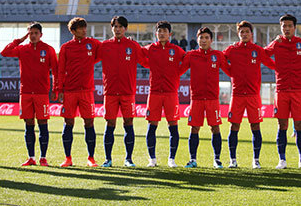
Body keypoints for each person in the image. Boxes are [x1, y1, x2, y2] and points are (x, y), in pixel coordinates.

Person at [1, 22, 59, 167]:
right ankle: (31, 157)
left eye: (35, 33)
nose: (33, 36)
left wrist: (56, 89)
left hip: (42, 93)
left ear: (41, 34)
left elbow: (56, 71)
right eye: (30, 33)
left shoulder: (48, 49)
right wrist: (19, 40)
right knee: (28, 124)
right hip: (25, 93)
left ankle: (43, 157)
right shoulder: (22, 49)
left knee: (43, 123)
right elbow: (4, 52)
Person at [223, 20, 275, 169]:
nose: (244, 34)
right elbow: (221, 60)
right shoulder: (232, 49)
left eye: (247, 32)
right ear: (238, 34)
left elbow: (271, 63)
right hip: (237, 95)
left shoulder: (257, 50)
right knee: (234, 127)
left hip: (253, 95)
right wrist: (230, 72)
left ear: (251, 34)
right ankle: (233, 160)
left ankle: (256, 160)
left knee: (255, 126)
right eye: (241, 32)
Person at [97, 16, 148, 168]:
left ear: (125, 29)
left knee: (128, 123)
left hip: (127, 93)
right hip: (110, 92)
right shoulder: (104, 46)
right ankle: (108, 159)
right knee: (110, 123)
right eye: (115, 26)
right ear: (111, 28)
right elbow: (89, 59)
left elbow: (146, 62)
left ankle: (129, 159)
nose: (117, 29)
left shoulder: (132, 45)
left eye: (120, 26)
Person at [264, 14, 301, 169]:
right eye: (284, 26)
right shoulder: (277, 44)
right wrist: (273, 43)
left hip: (298, 91)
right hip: (281, 90)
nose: (286, 28)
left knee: (300, 125)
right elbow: (263, 55)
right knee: (282, 124)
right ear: (281, 28)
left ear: (295, 28)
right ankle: (282, 160)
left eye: (289, 26)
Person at [179, 27, 231, 169]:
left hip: (212, 99)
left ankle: (217, 159)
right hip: (196, 99)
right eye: (201, 38)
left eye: (206, 38)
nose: (203, 40)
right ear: (197, 40)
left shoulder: (218, 55)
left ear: (211, 40)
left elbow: (230, 71)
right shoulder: (191, 55)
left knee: (215, 128)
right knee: (194, 128)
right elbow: (178, 71)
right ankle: (193, 159)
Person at [58, 17, 101, 167]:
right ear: (73, 31)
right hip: (69, 91)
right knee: (68, 122)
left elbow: (105, 51)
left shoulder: (93, 43)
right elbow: (60, 70)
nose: (84, 30)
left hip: (87, 91)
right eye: (81, 28)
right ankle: (68, 158)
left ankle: (91, 158)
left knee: (89, 122)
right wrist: (59, 89)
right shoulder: (66, 47)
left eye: (85, 27)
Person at [142, 21, 186, 167]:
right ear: (156, 34)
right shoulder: (150, 49)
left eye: (164, 31)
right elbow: (137, 53)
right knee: (152, 125)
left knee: (173, 125)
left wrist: (176, 74)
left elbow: (187, 61)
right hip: (154, 93)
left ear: (170, 34)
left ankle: (171, 159)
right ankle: (152, 159)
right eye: (159, 31)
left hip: (170, 94)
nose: (162, 34)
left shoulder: (176, 50)